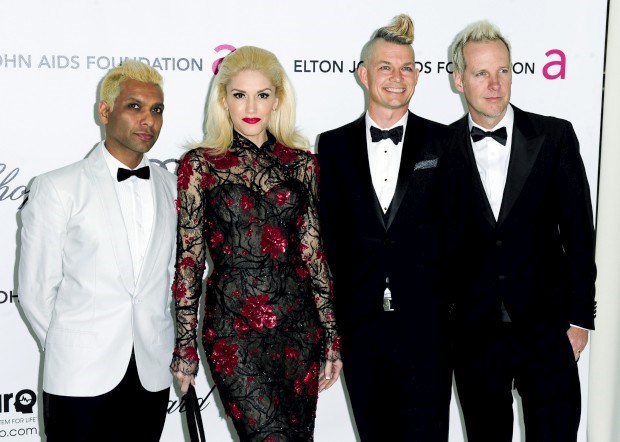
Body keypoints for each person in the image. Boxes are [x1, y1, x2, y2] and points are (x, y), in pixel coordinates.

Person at [169, 45, 342, 441]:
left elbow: (313, 253)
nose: (251, 106)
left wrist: (332, 334)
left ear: (277, 99)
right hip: (232, 332)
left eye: (262, 95)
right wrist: (185, 345)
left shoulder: (302, 164)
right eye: (239, 95)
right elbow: (189, 261)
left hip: (299, 328)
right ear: (223, 100)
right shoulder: (200, 165)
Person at [448, 20, 597, 441]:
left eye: (503, 71)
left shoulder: (554, 136)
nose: (495, 84)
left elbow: (579, 233)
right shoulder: (440, 147)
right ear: (459, 80)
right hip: (475, 336)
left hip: (548, 330)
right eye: (481, 73)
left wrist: (579, 319)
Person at [18, 59, 177, 442]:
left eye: (157, 109)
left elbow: (172, 275)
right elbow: (36, 289)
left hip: (151, 374)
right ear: (105, 111)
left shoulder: (174, 187)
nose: (148, 120)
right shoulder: (57, 187)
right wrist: (73, 345)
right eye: (134, 106)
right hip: (78, 375)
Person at [316, 14, 458, 441]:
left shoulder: (444, 141)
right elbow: (328, 237)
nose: (397, 77)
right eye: (385, 67)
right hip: (360, 326)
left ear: (417, 76)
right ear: (363, 74)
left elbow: (458, 233)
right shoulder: (332, 145)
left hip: (428, 328)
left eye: (407, 68)